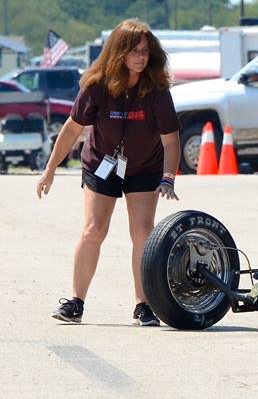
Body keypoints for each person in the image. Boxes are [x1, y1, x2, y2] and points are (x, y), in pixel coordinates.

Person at [36, 19, 181, 326]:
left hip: (144, 167)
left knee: (143, 232)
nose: (141, 57)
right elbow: (73, 128)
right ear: (119, 52)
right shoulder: (97, 85)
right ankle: (75, 301)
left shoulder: (156, 89)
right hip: (102, 164)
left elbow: (171, 140)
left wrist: (168, 177)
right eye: (134, 51)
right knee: (93, 230)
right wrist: (50, 169)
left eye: (145, 51)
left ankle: (144, 304)